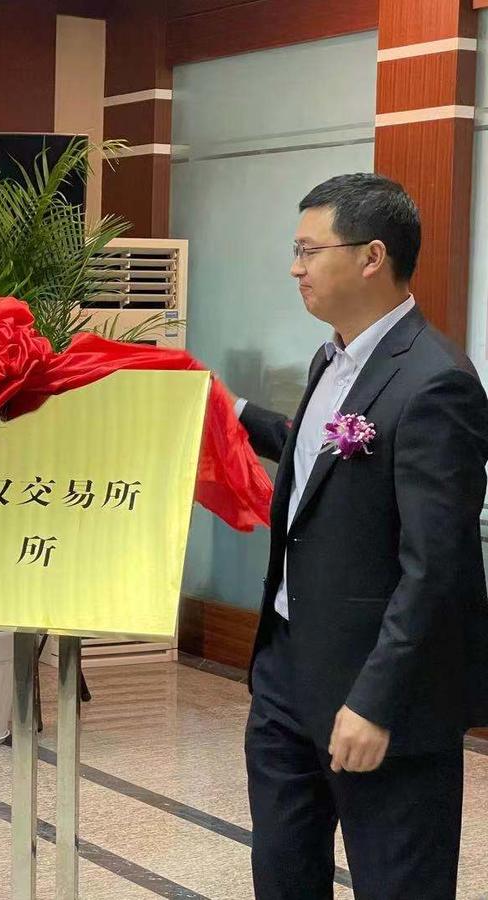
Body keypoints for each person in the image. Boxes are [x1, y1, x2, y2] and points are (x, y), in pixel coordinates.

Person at [233, 174, 488, 898]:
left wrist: (377, 700)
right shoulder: (332, 358)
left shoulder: (436, 382)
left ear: (372, 256)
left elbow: (436, 565)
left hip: (381, 689)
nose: (295, 268)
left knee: (397, 882)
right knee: (283, 873)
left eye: (308, 250)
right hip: (285, 670)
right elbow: (316, 459)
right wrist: (232, 410)